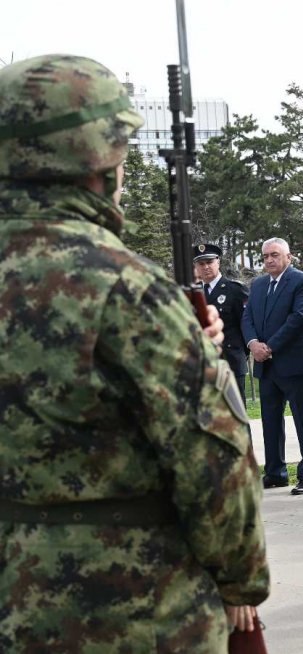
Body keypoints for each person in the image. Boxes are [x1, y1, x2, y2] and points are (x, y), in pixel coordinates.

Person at [0, 53, 267, 651]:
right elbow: (213, 460)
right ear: (101, 162)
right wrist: (240, 582)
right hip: (132, 608)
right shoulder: (126, 288)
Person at [242, 237, 303, 495]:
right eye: (265, 256)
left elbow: (299, 318)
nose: (269, 260)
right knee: (270, 421)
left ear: (289, 256)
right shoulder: (258, 284)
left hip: (295, 363)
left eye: (274, 255)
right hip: (266, 367)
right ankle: (275, 472)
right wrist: (253, 343)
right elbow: (248, 318)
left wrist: (269, 347)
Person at [194, 243, 251, 395]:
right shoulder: (194, 292)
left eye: (209, 262)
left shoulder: (235, 289)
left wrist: (241, 353)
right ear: (196, 267)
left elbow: (246, 324)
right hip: (204, 362)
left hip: (231, 358)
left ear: (218, 262)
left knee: (236, 411)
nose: (206, 267)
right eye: (201, 263)